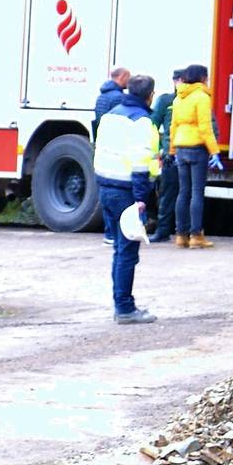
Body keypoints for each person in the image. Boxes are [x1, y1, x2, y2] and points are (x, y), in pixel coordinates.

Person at [92, 74, 159, 324]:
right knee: (128, 251)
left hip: (106, 186)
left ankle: (121, 304)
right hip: (127, 192)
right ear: (150, 95)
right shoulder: (140, 121)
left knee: (120, 249)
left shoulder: (111, 115)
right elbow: (141, 163)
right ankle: (125, 308)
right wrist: (142, 198)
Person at [169, 63, 216, 249]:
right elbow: (205, 127)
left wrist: (172, 150)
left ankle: (181, 235)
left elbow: (173, 127)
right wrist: (214, 150)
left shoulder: (178, 97)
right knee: (197, 193)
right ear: (202, 78)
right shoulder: (201, 97)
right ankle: (196, 235)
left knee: (183, 192)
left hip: (181, 147)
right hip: (197, 148)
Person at [147, 69, 185, 243]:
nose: (181, 83)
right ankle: (163, 231)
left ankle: (185, 233)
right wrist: (157, 152)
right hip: (170, 155)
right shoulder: (166, 100)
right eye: (178, 80)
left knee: (187, 195)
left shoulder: (196, 99)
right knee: (167, 195)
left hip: (189, 154)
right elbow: (152, 124)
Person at [92, 66, 131, 135]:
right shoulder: (119, 97)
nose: (130, 80)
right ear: (122, 77)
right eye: (129, 77)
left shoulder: (102, 94)